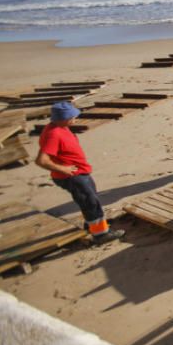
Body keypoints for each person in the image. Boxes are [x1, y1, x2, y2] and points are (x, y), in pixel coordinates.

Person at [35, 102, 125, 244]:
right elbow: (42, 160)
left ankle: (91, 224)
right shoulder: (53, 134)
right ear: (64, 118)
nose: (75, 118)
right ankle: (101, 235)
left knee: (90, 199)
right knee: (90, 203)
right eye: (73, 116)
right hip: (72, 177)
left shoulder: (61, 127)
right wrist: (64, 169)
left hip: (80, 172)